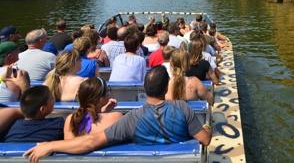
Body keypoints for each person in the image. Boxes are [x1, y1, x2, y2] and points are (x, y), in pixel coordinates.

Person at [24, 66, 211, 162]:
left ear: (144, 87)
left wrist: (51, 146)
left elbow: (90, 141)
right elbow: (205, 140)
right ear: (165, 88)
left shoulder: (131, 119)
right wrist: (207, 127)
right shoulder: (183, 108)